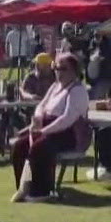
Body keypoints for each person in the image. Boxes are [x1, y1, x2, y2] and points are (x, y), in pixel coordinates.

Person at [11, 53, 90, 203]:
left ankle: (41, 192)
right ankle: (23, 188)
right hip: (46, 128)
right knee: (19, 146)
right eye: (56, 68)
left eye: (63, 68)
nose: (58, 72)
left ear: (74, 71)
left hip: (67, 134)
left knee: (39, 148)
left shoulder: (78, 91)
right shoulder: (55, 86)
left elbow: (67, 119)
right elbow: (42, 105)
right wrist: (39, 118)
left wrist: (43, 131)